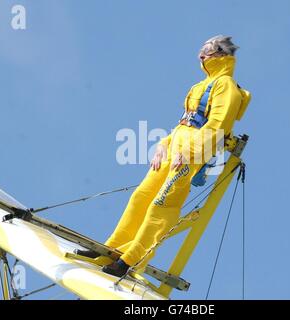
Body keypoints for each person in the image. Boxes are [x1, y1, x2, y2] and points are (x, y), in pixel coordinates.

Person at [102, 35, 244, 277]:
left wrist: (189, 154)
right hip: (174, 150)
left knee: (162, 205)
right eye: (201, 50)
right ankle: (112, 248)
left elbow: (217, 126)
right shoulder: (199, 86)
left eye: (207, 51)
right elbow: (185, 122)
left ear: (222, 55)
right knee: (140, 197)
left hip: (191, 154)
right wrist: (163, 144)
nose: (201, 56)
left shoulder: (226, 87)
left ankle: (131, 260)